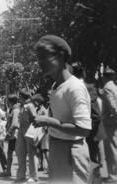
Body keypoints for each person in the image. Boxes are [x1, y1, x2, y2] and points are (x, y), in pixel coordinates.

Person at [34, 35, 92, 183]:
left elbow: (84, 129)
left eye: (44, 57)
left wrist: (49, 121)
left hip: (71, 152)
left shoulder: (74, 88)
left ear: (60, 56)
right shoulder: (55, 86)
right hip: (57, 149)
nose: (40, 63)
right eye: (38, 58)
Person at [15, 89, 38, 183]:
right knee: (20, 153)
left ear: (22, 96)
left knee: (31, 154)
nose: (18, 97)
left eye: (19, 96)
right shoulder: (21, 106)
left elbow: (35, 119)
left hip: (29, 131)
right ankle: (21, 175)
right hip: (21, 132)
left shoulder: (30, 106)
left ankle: (33, 175)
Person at [101, 66, 117, 183]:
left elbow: (112, 106)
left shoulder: (107, 88)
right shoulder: (115, 87)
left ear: (104, 77)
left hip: (110, 122)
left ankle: (113, 176)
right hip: (114, 122)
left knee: (111, 150)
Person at [4, 94, 20, 177]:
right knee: (9, 153)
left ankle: (22, 172)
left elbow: (14, 124)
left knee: (18, 154)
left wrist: (8, 133)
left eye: (8, 102)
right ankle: (8, 171)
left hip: (15, 136)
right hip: (13, 136)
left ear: (10, 102)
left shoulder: (15, 110)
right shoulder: (12, 110)